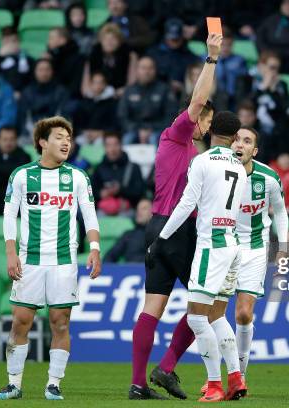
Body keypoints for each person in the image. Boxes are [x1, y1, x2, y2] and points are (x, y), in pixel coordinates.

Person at [128, 33, 220, 401]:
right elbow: (198, 99)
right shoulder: (177, 135)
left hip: (156, 228)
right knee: (208, 303)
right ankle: (165, 368)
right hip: (179, 229)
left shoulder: (183, 151)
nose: (207, 126)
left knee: (153, 306)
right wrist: (211, 59)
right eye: (206, 120)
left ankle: (137, 385)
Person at [0, 116, 101, 401]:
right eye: (60, 137)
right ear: (42, 142)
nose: (66, 142)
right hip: (30, 260)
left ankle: (54, 384)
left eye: (68, 137)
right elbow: (8, 215)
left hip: (64, 260)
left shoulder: (77, 176)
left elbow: (89, 213)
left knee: (60, 322)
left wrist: (95, 247)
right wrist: (11, 252)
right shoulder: (22, 175)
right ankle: (14, 384)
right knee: (20, 321)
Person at [148, 111, 247, 402]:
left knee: (196, 316)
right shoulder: (240, 167)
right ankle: (236, 377)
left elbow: (186, 203)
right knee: (216, 314)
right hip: (233, 244)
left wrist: (161, 237)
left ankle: (215, 384)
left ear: (212, 130)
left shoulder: (201, 161)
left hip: (211, 243)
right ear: (234, 135)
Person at [200, 126, 288, 395]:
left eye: (247, 141)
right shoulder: (217, 171)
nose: (240, 144)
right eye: (236, 139)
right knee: (212, 314)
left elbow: (281, 213)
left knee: (243, 313)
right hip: (223, 246)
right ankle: (214, 377)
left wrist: (282, 247)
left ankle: (239, 376)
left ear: (254, 150)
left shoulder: (269, 177)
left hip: (255, 248)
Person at [117, 57, 176, 145]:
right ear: (137, 70)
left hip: (158, 130)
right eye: (143, 68)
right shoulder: (129, 91)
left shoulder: (164, 90)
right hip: (134, 130)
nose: (147, 72)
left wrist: (151, 129)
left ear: (155, 70)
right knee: (127, 139)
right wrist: (138, 129)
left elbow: (170, 115)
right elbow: (122, 115)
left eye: (150, 68)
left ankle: (156, 159)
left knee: (154, 139)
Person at [0, 126, 31, 217]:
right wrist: (10, 172)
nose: (8, 143)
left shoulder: (24, 157)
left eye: (11, 139)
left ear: (16, 140)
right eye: (5, 139)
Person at [91, 132, 146, 215]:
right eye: (108, 145)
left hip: (127, 210)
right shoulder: (99, 168)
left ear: (121, 145)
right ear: (104, 147)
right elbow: (90, 193)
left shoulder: (133, 167)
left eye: (115, 144)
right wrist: (101, 194)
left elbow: (140, 192)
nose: (112, 149)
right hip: (104, 209)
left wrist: (120, 190)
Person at [256, 0, 289, 81]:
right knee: (265, 64)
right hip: (269, 55)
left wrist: (284, 53)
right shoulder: (270, 20)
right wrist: (267, 52)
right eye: (286, 4)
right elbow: (260, 38)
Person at [147, 18, 199, 95]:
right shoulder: (153, 53)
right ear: (165, 37)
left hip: (182, 96)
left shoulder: (191, 57)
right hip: (156, 94)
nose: (174, 41)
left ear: (182, 37)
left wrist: (183, 87)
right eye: (171, 39)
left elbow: (195, 80)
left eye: (177, 39)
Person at [83, 23, 136, 95]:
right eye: (106, 39)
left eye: (113, 39)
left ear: (119, 42)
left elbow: (132, 83)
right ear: (101, 41)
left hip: (121, 94)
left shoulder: (129, 55)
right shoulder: (93, 55)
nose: (109, 42)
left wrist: (119, 92)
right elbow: (85, 86)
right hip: (97, 94)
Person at [19, 59, 70, 134]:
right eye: (40, 70)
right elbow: (23, 118)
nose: (44, 73)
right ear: (35, 72)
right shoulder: (27, 92)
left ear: (52, 71)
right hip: (31, 133)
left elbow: (63, 116)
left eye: (47, 69)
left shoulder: (61, 92)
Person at [103, 198, 152, 263]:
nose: (139, 211)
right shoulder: (128, 235)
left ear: (153, 213)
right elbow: (109, 256)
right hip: (130, 271)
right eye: (138, 209)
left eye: (144, 208)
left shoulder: (160, 235)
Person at [0, 27, 34, 97]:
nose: (11, 44)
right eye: (7, 41)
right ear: (1, 41)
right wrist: (0, 56)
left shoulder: (27, 59)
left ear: (19, 41)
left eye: (14, 41)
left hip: (22, 95)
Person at [214, 26, 248, 111]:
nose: (225, 48)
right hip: (214, 99)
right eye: (222, 45)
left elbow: (244, 82)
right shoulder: (208, 59)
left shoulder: (239, 60)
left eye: (229, 45)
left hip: (233, 100)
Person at [46, 28, 84, 98]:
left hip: (69, 98)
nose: (48, 41)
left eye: (51, 38)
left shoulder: (77, 59)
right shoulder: (49, 56)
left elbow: (74, 85)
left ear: (62, 40)